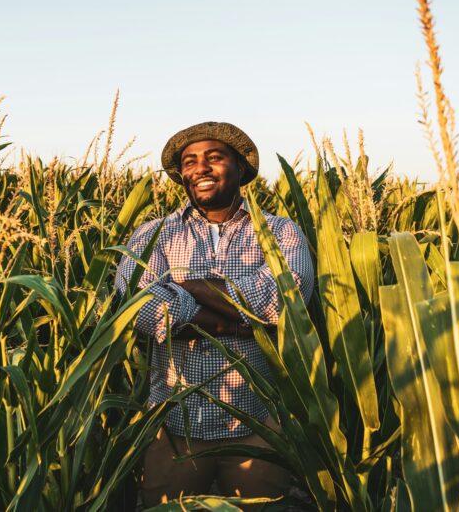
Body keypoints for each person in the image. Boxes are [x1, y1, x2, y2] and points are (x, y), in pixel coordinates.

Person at [115, 121, 314, 508]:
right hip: (175, 426)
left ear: (240, 168)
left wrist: (187, 287)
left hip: (258, 425)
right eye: (189, 162)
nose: (199, 168)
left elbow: (284, 299)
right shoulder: (152, 235)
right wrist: (238, 322)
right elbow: (138, 308)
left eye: (214, 157)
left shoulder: (280, 233)